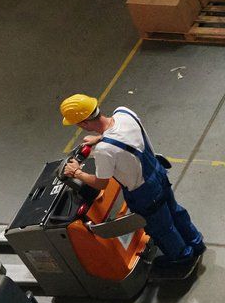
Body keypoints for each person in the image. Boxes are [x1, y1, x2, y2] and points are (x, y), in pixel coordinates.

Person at [57, 94, 206, 280]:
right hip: (158, 172)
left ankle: (181, 258)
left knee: (161, 228)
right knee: (175, 211)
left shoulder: (104, 151)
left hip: (144, 193)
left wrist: (77, 172)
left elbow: (101, 183)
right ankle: (196, 242)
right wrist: (100, 138)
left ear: (84, 123)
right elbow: (122, 135)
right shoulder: (124, 112)